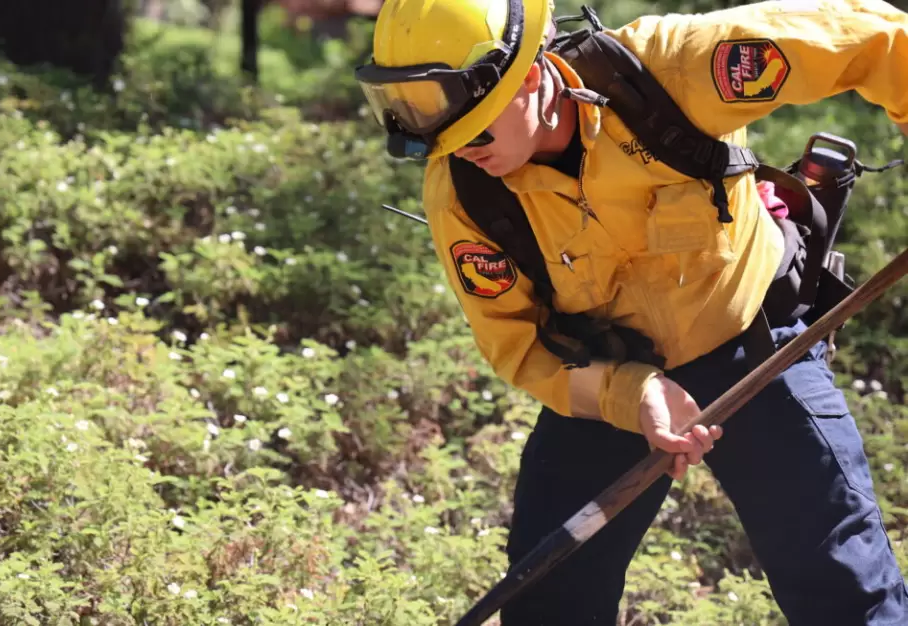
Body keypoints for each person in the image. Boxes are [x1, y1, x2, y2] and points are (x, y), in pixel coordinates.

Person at [355, 0, 908, 623]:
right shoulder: (462, 190)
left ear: (533, 80)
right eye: (438, 138)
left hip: (755, 344)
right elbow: (519, 346)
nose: (459, 151)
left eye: (476, 129)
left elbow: (875, 37)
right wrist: (630, 394)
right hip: (609, 376)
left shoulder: (674, 71)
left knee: (845, 586)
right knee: (548, 600)